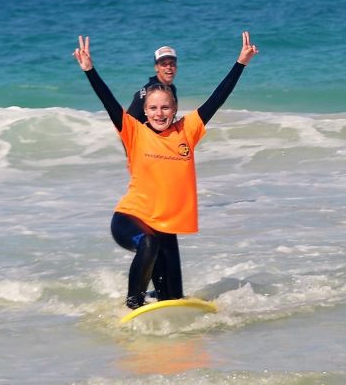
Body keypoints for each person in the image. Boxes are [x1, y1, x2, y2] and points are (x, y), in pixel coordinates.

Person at [73, 32, 259, 309]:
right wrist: (90, 70)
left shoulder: (187, 130)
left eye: (165, 107)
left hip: (166, 227)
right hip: (131, 219)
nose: (159, 113)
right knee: (147, 243)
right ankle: (133, 303)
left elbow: (217, 99)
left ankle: (150, 297)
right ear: (144, 111)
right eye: (153, 108)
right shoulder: (133, 131)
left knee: (173, 298)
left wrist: (240, 63)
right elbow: (108, 101)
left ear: (174, 109)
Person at [126, 46, 178, 123]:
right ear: (156, 68)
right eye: (164, 64)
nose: (169, 67)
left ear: (176, 67)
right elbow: (127, 123)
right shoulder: (148, 92)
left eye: (172, 63)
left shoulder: (171, 88)